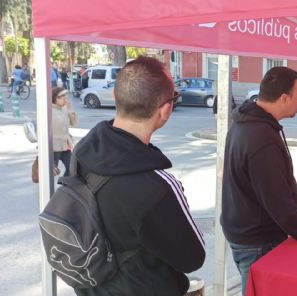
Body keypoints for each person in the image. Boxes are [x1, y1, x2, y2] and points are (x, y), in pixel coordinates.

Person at [72, 56, 205, 295]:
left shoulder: (82, 153)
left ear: (115, 97)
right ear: (165, 110)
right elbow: (192, 258)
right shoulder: (157, 187)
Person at [221, 66, 297, 295]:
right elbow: (279, 203)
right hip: (257, 239)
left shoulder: (247, 122)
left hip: (245, 231)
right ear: (284, 98)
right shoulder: (261, 138)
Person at [51, 87, 78, 177]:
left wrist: (70, 110)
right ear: (56, 98)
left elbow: (74, 123)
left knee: (73, 168)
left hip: (65, 145)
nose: (65, 98)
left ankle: (64, 187)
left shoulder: (64, 108)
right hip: (54, 146)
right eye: (63, 96)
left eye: (66, 95)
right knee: (51, 172)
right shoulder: (49, 111)